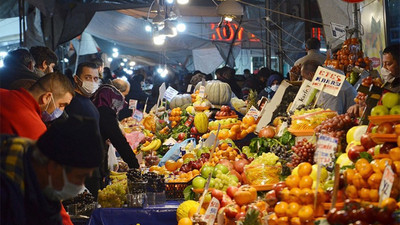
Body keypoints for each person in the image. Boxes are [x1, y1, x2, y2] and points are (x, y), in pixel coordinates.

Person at [0, 115, 104, 225]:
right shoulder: (6, 193)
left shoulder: (43, 187)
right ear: (53, 166)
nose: (81, 185)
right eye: (80, 176)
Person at [0, 72, 74, 140]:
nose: (61, 110)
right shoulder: (37, 130)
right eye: (61, 105)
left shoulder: (2, 92)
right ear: (47, 97)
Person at [92, 80, 140, 175]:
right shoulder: (104, 109)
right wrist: (134, 164)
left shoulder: (99, 99)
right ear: (116, 92)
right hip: (93, 160)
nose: (124, 99)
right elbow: (117, 139)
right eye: (124, 95)